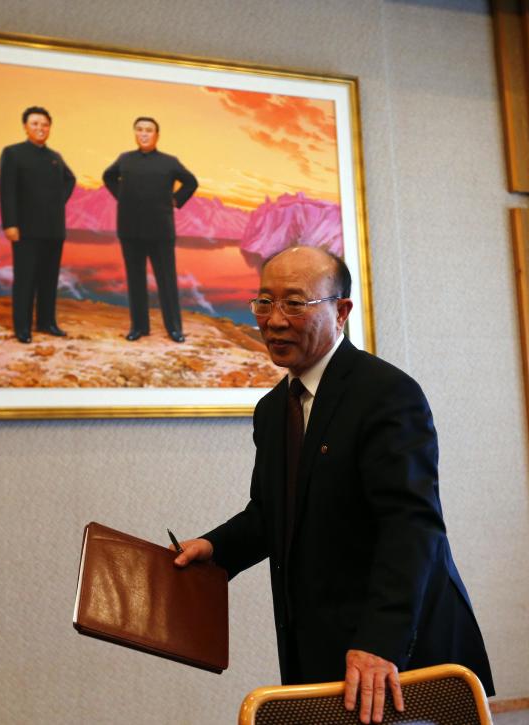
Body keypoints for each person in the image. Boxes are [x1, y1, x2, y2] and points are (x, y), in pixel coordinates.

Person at [174, 246, 494, 724]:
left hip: (397, 650)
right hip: (318, 643)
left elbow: (412, 528)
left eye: (295, 303)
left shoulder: (386, 394)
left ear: (341, 311)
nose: (275, 320)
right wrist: (214, 549)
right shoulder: (272, 409)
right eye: (264, 302)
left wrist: (378, 642)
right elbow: (271, 513)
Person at [102, 117, 198, 343]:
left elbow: (191, 182)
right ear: (135, 133)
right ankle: (138, 327)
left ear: (157, 135)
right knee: (135, 280)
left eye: (149, 130)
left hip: (161, 231)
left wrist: (176, 199)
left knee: (166, 280)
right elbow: (108, 177)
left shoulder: (169, 162)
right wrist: (121, 196)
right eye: (140, 130)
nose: (144, 134)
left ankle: (174, 329)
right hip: (130, 229)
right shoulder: (125, 159)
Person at [0, 106, 76, 343]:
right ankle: (22, 327)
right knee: (26, 278)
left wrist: (56, 202)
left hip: (53, 228)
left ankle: (46, 322)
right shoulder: (12, 153)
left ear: (49, 128)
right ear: (25, 126)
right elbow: (6, 190)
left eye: (44, 125)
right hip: (25, 228)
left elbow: (70, 179)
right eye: (35, 124)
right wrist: (10, 223)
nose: (40, 128)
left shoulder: (55, 157)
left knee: (49, 278)